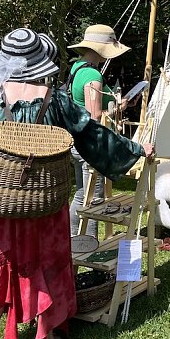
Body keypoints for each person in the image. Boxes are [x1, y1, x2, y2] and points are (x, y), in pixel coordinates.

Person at [0, 28, 154, 339]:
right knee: (44, 267)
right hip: (43, 204)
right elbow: (93, 138)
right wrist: (135, 150)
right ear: (40, 62)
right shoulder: (56, 99)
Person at [66, 24, 133, 238]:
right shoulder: (92, 75)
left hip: (76, 140)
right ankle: (89, 249)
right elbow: (94, 115)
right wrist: (116, 110)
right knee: (94, 201)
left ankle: (73, 243)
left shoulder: (77, 68)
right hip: (89, 145)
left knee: (80, 195)